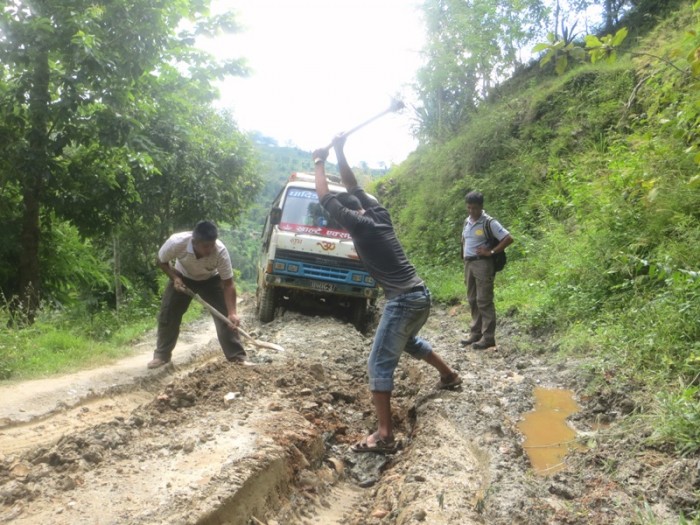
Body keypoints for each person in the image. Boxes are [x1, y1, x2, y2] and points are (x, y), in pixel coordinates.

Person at [312, 135, 462, 454]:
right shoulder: (378, 214)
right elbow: (352, 188)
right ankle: (448, 375)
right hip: (420, 295)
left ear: (350, 215)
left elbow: (325, 196)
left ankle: (384, 436)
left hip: (404, 300)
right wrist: (339, 151)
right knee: (408, 342)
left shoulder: (359, 225)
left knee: (378, 363)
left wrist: (318, 161)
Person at [147, 220, 248, 369]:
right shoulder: (176, 242)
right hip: (183, 277)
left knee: (226, 319)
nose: (209, 249)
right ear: (194, 242)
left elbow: (228, 283)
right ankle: (162, 356)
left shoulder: (220, 251)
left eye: (212, 244)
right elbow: (161, 261)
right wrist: (175, 278)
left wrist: (232, 312)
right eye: (205, 246)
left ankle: (237, 358)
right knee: (168, 313)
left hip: (211, 280)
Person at [460, 191, 513, 350]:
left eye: (474, 208)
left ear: (481, 207)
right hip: (469, 264)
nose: (471, 211)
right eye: (469, 208)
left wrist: (490, 252)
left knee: (484, 300)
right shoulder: (467, 221)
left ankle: (488, 337)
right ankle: (476, 333)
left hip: (483, 264)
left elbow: (508, 238)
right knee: (472, 299)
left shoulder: (489, 222)